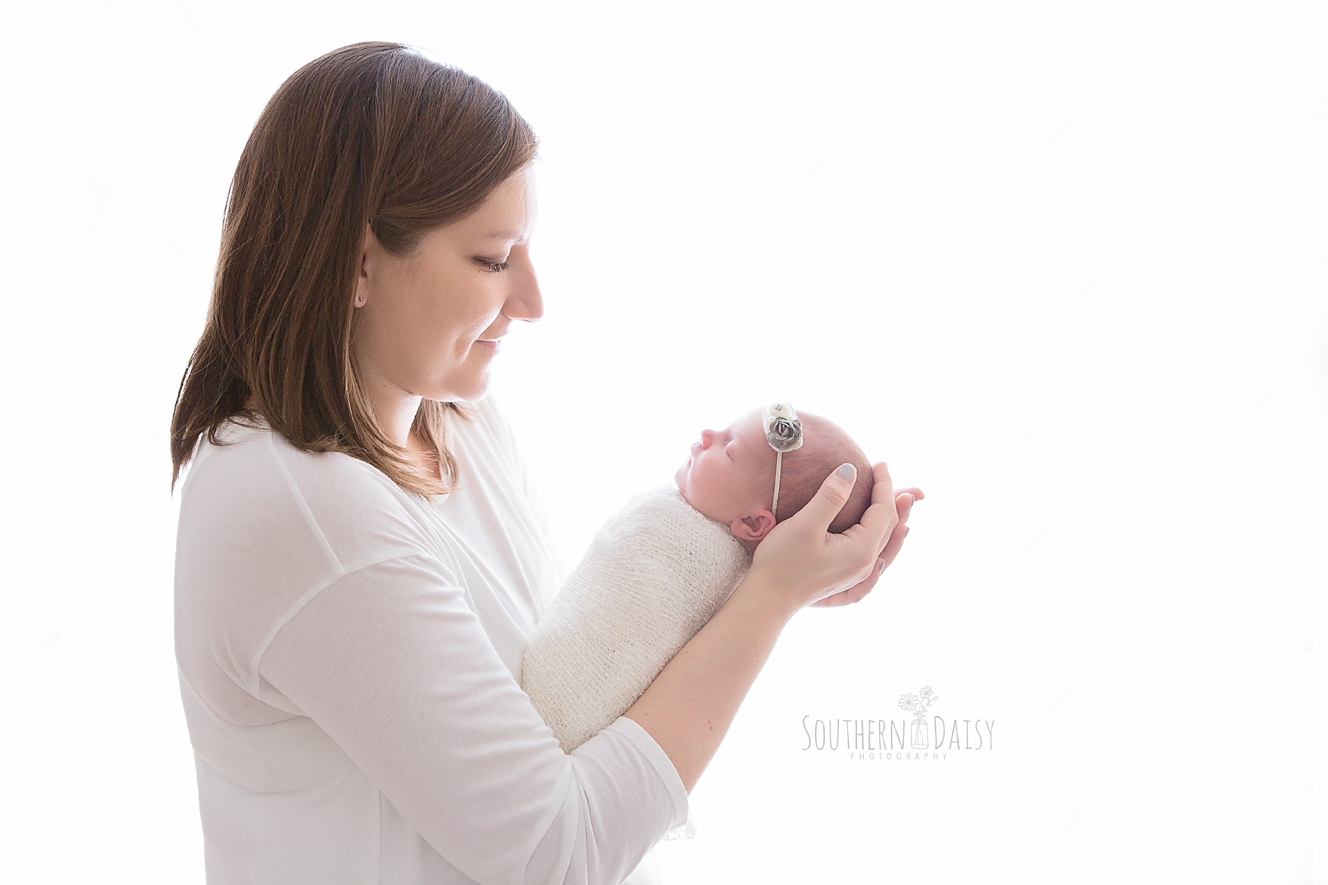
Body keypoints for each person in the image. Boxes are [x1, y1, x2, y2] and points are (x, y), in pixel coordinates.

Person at [170, 41, 919, 885]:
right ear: (359, 261)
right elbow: (557, 854)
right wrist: (767, 599)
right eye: (493, 259)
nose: (532, 301)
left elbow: (566, 706)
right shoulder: (299, 506)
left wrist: (771, 558)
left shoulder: (458, 425)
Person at [523, 404, 922, 755]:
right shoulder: (744, 580)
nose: (706, 435)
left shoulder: (696, 555)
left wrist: (781, 593)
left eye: (728, 449)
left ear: (753, 523)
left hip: (551, 718)